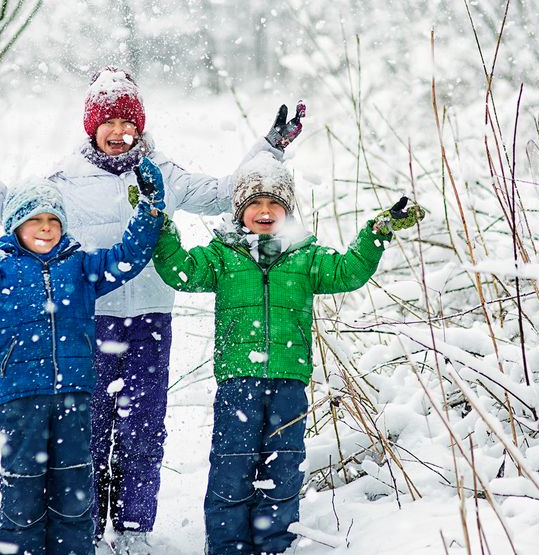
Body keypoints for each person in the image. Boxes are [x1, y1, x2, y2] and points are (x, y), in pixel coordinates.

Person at [0, 66, 307, 554]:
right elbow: (6, 204)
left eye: (129, 122)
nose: (120, 132)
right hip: (92, 321)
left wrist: (271, 147)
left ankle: (133, 528)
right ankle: (84, 526)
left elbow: (226, 192)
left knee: (143, 427)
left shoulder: (163, 173)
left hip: (151, 319)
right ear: (92, 127)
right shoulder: (65, 180)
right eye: (110, 122)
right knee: (90, 429)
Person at [152, 153, 425, 555]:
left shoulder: (305, 257)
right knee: (232, 466)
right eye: (255, 203)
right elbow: (182, 272)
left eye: (274, 203)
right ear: (239, 210)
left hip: (289, 380)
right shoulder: (221, 256)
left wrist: (377, 232)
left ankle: (274, 546)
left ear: (287, 210)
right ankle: (227, 547)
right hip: (238, 379)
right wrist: (159, 226)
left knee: (283, 468)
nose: (265, 211)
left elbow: (348, 271)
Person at [0, 164, 164, 555]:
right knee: (22, 492)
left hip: (74, 396)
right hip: (21, 399)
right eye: (34, 219)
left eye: (53, 220)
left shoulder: (81, 267)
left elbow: (130, 256)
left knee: (74, 493)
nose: (45, 227)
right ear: (15, 225)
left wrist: (150, 208)